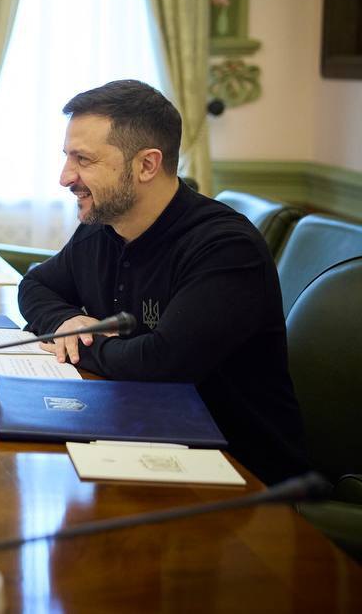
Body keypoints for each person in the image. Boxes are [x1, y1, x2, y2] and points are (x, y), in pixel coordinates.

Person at [18, 79, 309, 484]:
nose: (66, 177)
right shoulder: (103, 225)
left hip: (238, 476)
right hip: (134, 438)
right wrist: (67, 321)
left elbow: (160, 365)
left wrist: (79, 345)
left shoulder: (225, 247)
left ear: (147, 165)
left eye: (83, 160)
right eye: (68, 157)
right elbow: (36, 285)